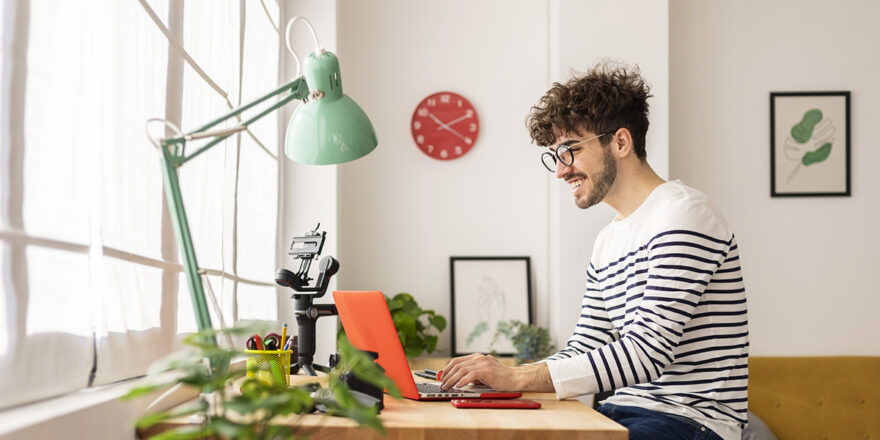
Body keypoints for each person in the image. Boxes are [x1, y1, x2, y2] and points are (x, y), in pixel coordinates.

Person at [439, 61, 748, 440]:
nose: (560, 170)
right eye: (555, 155)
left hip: (688, 421)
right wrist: (496, 380)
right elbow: (584, 347)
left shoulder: (684, 213)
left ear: (620, 142)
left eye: (569, 150)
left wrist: (515, 375)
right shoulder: (608, 241)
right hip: (619, 411)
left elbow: (646, 353)